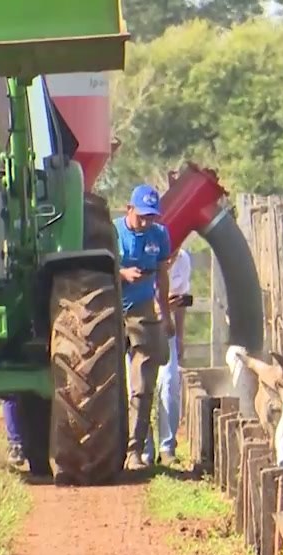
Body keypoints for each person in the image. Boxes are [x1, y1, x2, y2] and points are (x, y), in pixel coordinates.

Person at [116, 184, 176, 471]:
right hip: (111, 310)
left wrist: (165, 314)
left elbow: (162, 276)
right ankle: (110, 448)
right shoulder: (112, 232)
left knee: (142, 385)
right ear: (130, 209)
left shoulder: (160, 235)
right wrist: (122, 273)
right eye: (142, 216)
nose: (146, 221)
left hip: (142, 312)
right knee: (111, 385)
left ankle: (135, 450)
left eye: (151, 216)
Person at [143, 246, 192, 465]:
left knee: (170, 382)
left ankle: (167, 447)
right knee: (139, 387)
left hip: (166, 328)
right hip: (140, 328)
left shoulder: (183, 260)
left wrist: (180, 336)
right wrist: (158, 307)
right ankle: (144, 449)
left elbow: (180, 304)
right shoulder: (143, 256)